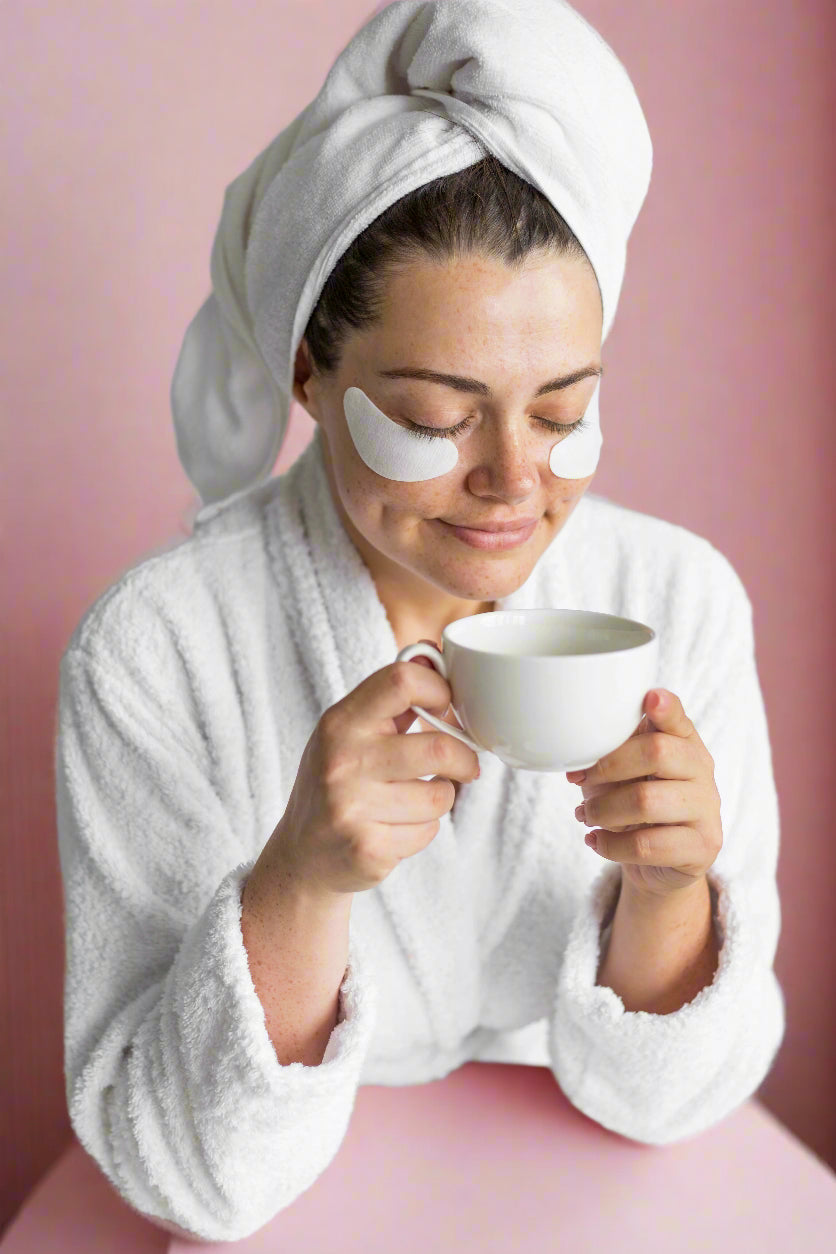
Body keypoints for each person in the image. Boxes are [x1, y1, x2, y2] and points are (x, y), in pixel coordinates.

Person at [53, 0, 785, 1243]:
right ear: (308, 376)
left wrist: (670, 892)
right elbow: (184, 1174)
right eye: (435, 414)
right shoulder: (157, 649)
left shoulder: (677, 604)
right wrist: (298, 880)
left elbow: (661, 1108)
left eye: (561, 411)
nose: (512, 480)